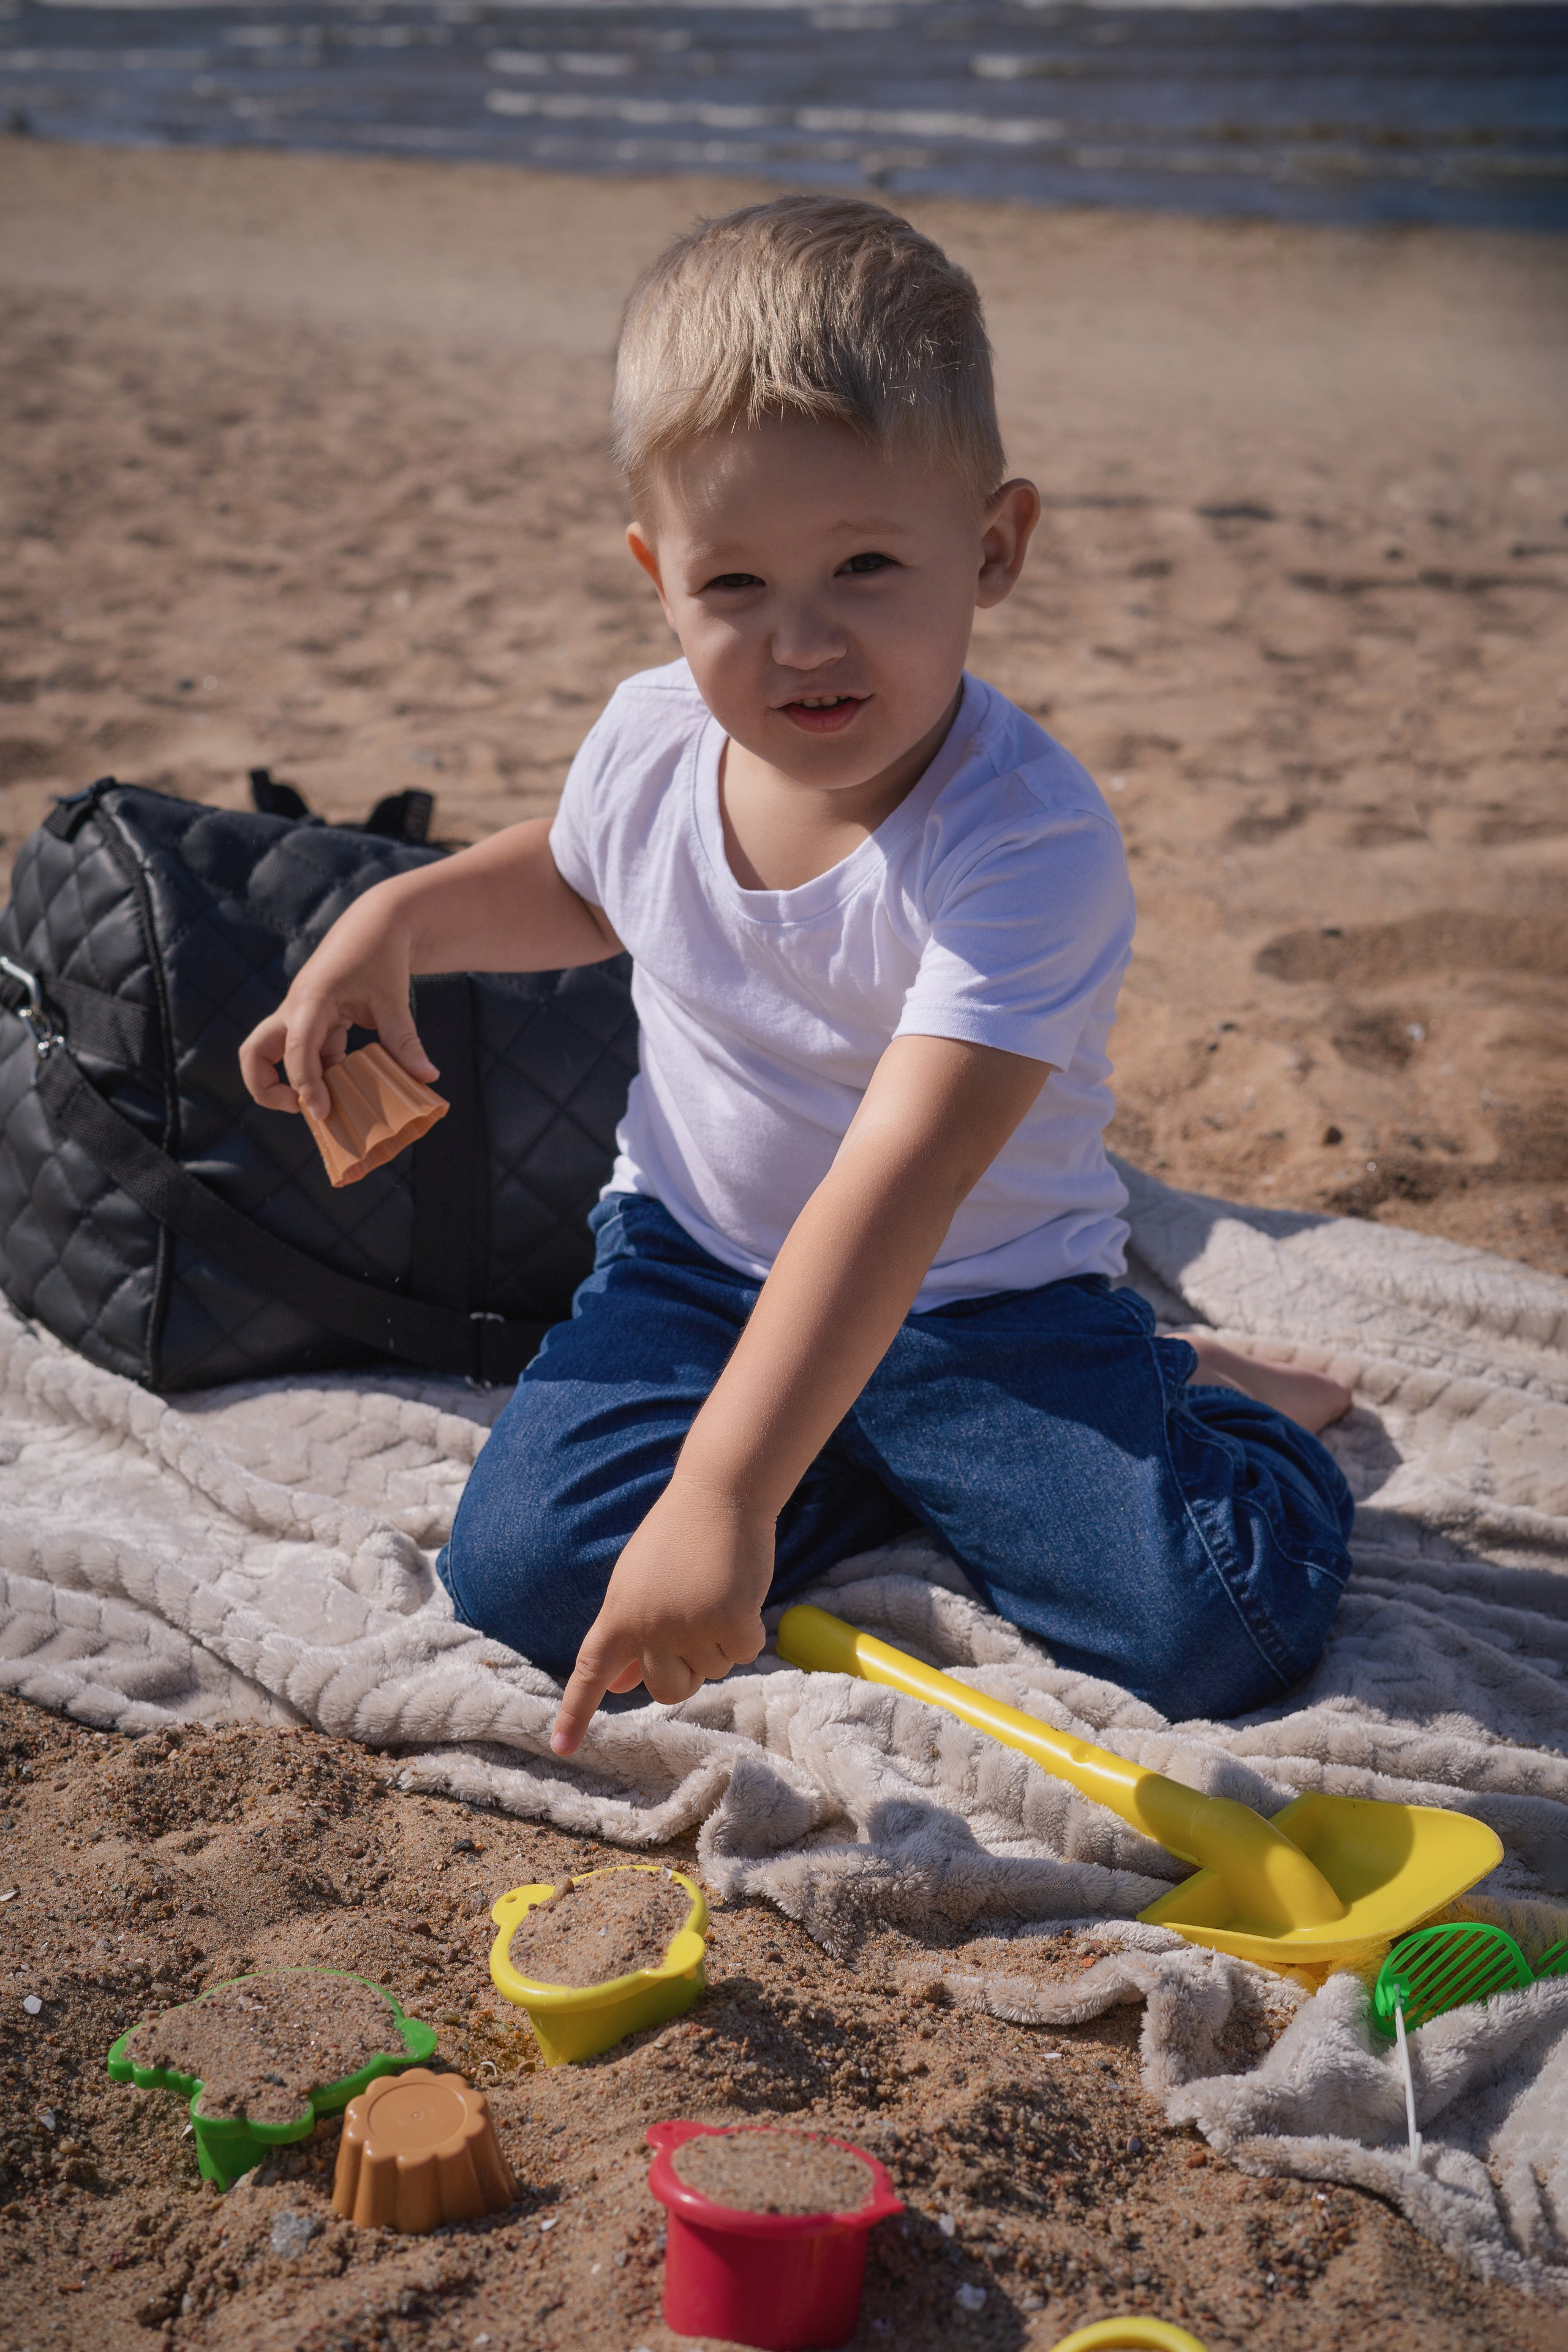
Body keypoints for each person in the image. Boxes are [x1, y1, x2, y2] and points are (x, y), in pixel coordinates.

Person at [240, 195, 1354, 1758]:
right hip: (695, 1262)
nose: (801, 641)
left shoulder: (1024, 843)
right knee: (522, 1580)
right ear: (656, 575)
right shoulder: (649, 738)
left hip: (981, 1296)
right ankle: (840, 1445)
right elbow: (582, 875)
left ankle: (1201, 1408)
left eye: (865, 566)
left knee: (1207, 1632)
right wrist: (398, 922)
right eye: (734, 588)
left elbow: (893, 1182)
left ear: (993, 546)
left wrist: (721, 1491)